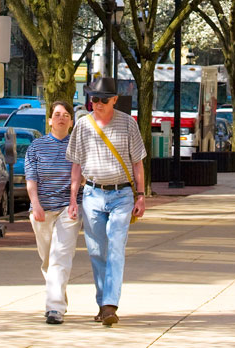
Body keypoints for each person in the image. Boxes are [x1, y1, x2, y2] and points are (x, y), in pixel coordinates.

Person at [67, 76, 147, 327]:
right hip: (92, 194)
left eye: (102, 99)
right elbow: (76, 165)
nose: (97, 104)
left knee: (115, 248)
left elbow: (137, 163)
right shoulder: (82, 125)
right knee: (96, 251)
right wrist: (73, 198)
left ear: (114, 100)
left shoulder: (128, 124)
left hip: (122, 195)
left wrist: (141, 196)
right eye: (93, 99)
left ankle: (111, 304)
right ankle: (103, 304)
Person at [26, 101, 80, 325]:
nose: (61, 118)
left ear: (71, 121)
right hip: (42, 210)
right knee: (48, 259)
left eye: (66, 115)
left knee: (60, 257)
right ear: (49, 120)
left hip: (68, 210)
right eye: (57, 114)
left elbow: (80, 176)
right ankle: (58, 299)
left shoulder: (76, 147)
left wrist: (74, 201)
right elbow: (31, 180)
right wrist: (35, 204)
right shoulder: (36, 147)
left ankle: (54, 309)